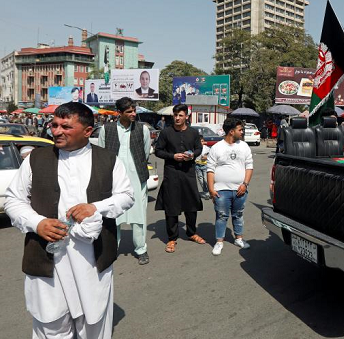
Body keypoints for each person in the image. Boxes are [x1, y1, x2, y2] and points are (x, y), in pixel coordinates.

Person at [5, 102, 134, 338]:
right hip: (46, 257)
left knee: (93, 324)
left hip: (91, 259)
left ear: (87, 131)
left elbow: (126, 196)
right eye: (54, 125)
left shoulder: (108, 159)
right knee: (51, 324)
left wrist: (95, 207)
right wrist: (37, 223)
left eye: (66, 126)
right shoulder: (36, 158)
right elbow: (14, 200)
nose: (56, 131)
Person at [98, 97, 151, 265]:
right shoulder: (107, 129)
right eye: (129, 111)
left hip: (137, 178)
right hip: (114, 180)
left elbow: (145, 153)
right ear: (119, 113)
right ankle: (113, 248)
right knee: (114, 215)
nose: (133, 114)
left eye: (134, 110)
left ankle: (141, 249)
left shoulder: (143, 130)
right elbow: (101, 154)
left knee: (139, 216)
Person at [154, 104, 204, 253]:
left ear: (186, 117)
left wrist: (192, 155)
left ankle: (191, 232)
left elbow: (199, 148)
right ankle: (172, 238)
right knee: (172, 205)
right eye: (175, 115)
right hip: (172, 173)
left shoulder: (193, 133)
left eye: (180, 115)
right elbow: (158, 151)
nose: (177, 118)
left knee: (191, 204)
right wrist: (172, 156)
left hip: (188, 172)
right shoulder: (166, 133)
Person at [207, 118, 254, 256]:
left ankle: (239, 239)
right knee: (221, 216)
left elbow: (249, 166)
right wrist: (211, 189)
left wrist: (245, 184)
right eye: (240, 129)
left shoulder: (244, 146)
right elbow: (210, 169)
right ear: (231, 132)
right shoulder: (217, 148)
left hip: (240, 189)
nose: (242, 132)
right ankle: (219, 242)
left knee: (238, 215)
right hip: (221, 190)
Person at [195, 135, 211, 200]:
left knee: (205, 179)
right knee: (200, 179)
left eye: (202, 141)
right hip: (197, 165)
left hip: (205, 165)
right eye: (199, 141)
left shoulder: (207, 148)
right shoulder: (195, 148)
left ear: (204, 141)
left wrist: (206, 157)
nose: (201, 143)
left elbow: (211, 156)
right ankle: (205, 192)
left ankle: (209, 191)